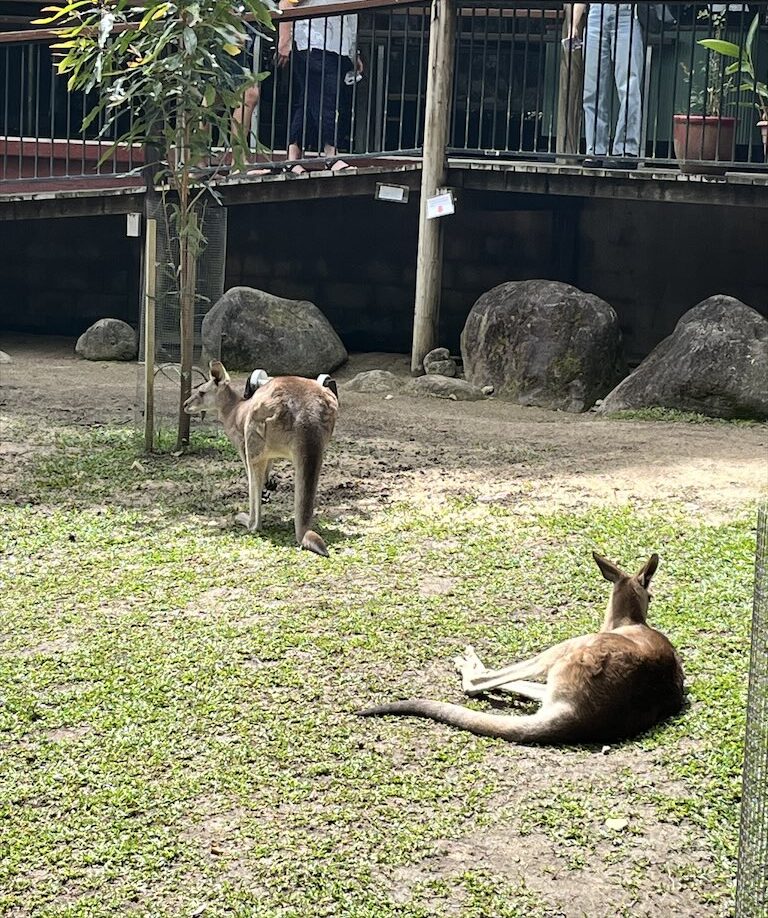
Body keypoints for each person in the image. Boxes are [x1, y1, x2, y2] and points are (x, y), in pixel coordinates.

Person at [276, 0, 363, 172]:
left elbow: (351, 17)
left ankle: (292, 159)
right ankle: (331, 155)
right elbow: (286, 3)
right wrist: (285, 39)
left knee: (309, 101)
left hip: (335, 46)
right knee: (327, 99)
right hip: (312, 42)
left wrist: (353, 52)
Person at [570, 3, 645, 166]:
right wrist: (574, 23)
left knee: (630, 87)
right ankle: (595, 150)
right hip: (596, 12)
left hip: (627, 12)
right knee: (593, 88)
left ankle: (626, 149)